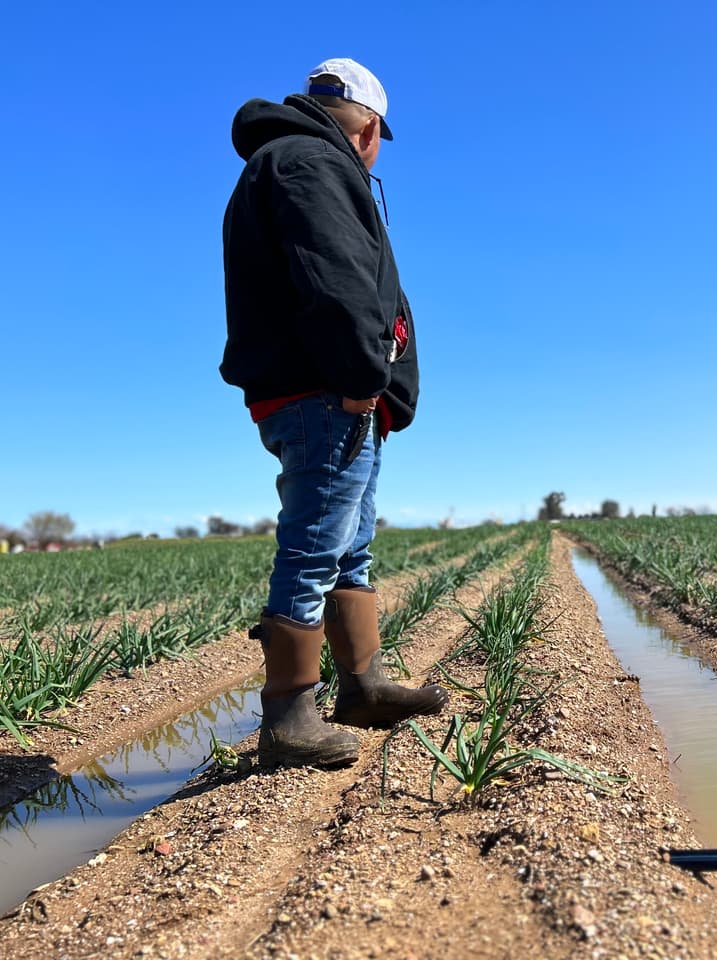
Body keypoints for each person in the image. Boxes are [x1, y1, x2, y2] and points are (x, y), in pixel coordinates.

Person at [220, 58, 447, 769]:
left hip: (339, 393)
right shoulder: (307, 163)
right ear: (372, 129)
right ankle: (289, 715)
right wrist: (358, 375)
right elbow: (335, 272)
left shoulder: (294, 160)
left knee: (350, 545)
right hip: (325, 391)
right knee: (316, 542)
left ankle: (363, 687)